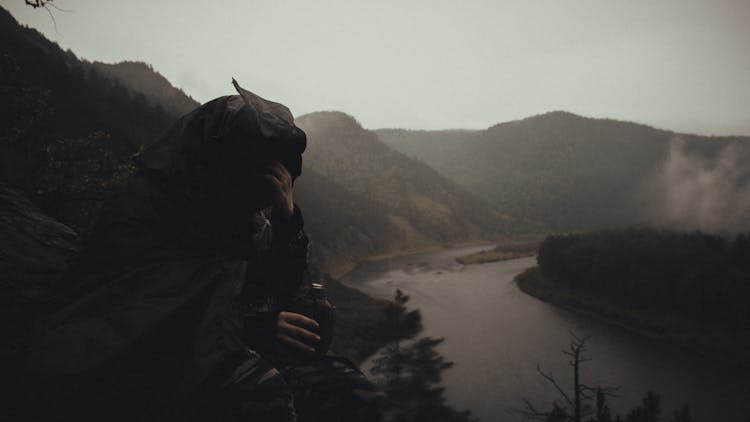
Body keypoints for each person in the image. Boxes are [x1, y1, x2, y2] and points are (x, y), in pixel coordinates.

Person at [28, 80, 395, 421]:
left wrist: (287, 219)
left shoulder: (241, 217)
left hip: (231, 343)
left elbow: (273, 288)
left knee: (354, 393)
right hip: (149, 359)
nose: (254, 178)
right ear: (216, 155)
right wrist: (256, 327)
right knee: (264, 395)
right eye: (248, 161)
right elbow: (145, 312)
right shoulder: (146, 205)